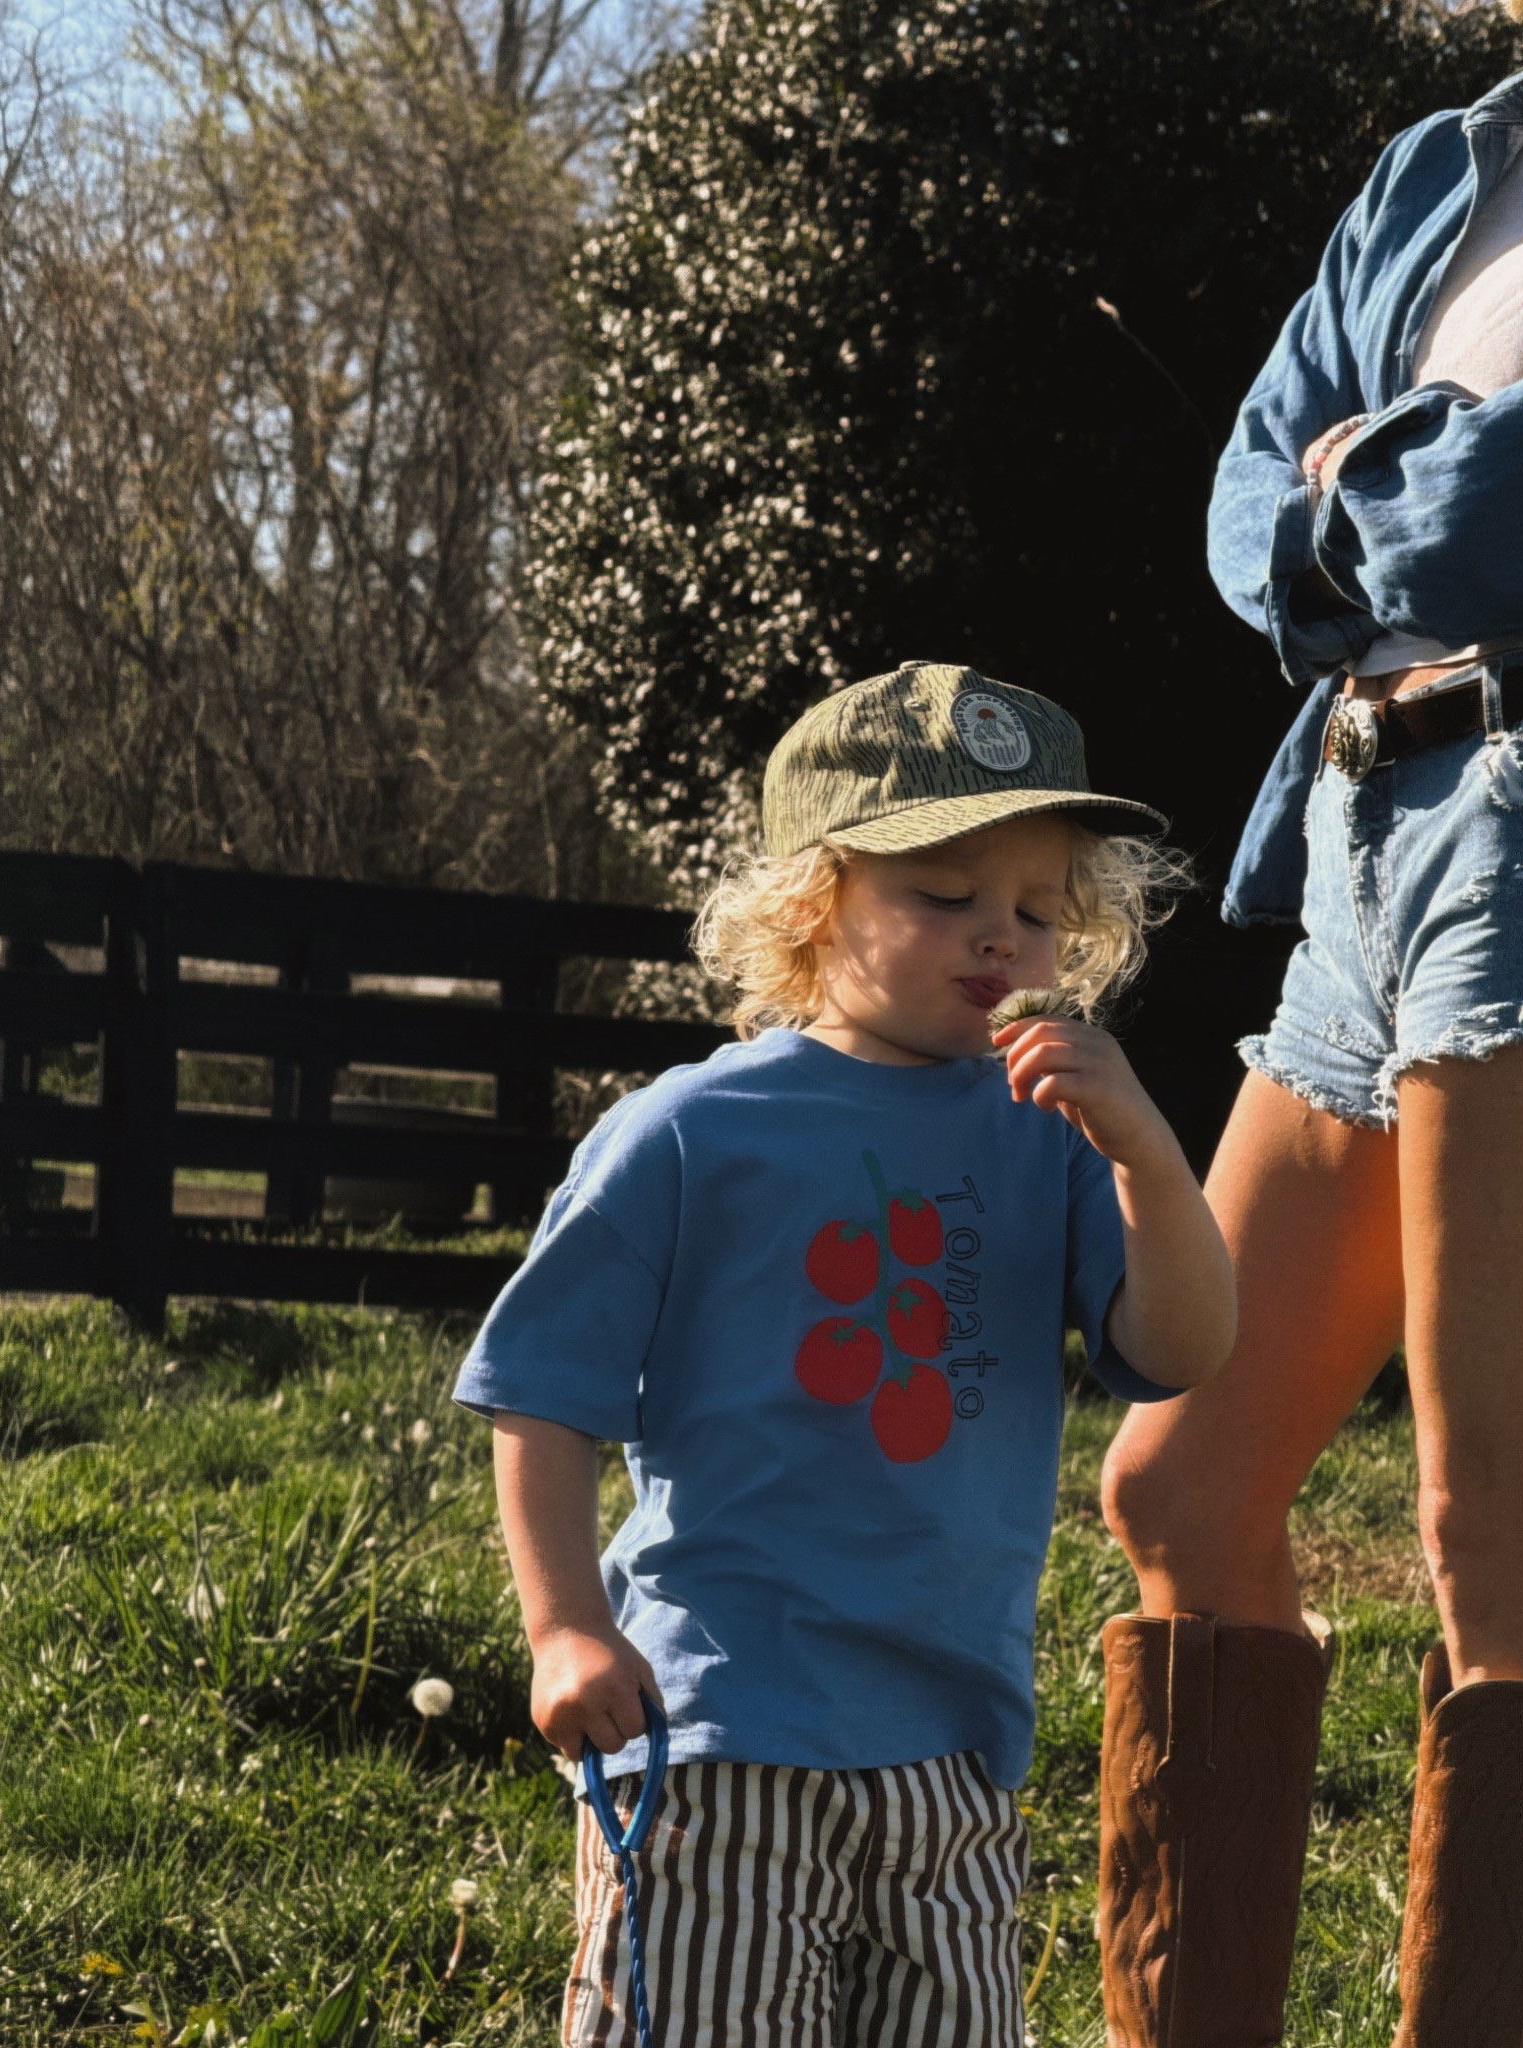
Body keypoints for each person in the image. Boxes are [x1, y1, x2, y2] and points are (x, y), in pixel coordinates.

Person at [451, 661, 1235, 2047]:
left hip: (956, 1743)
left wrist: (1154, 1163)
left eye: (1040, 910)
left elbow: (1178, 1351)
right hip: (718, 1732)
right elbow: (542, 1391)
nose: (1001, 936)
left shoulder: (1050, 1133)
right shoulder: (688, 1132)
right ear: (815, 904)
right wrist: (566, 1623)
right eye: (947, 895)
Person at [1096, 47, 1523, 2048]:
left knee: (1487, 1526)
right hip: (1359, 832)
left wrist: (1370, 474)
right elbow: (1240, 497)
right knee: (1183, 1483)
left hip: (1518, 835)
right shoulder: (1451, 161)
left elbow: (1449, 528)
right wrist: (1397, 474)